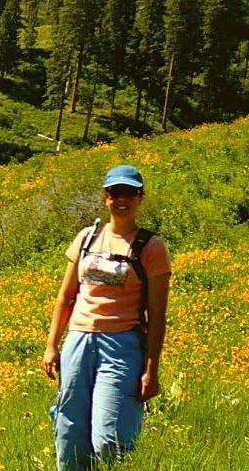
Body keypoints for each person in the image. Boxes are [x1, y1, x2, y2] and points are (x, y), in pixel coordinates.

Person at [42, 164, 171, 471]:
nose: (121, 200)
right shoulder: (87, 238)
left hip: (122, 345)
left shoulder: (151, 248)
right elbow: (66, 296)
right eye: (115, 193)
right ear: (105, 197)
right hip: (78, 341)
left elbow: (157, 315)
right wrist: (51, 345)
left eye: (129, 193)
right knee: (70, 431)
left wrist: (151, 370)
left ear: (140, 197)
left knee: (109, 439)